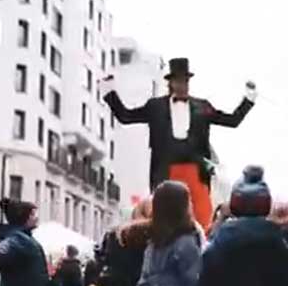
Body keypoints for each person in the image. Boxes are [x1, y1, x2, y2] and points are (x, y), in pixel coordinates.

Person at [101, 59, 257, 229]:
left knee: (202, 219)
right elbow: (126, 116)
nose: (183, 85)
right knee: (165, 221)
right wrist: (108, 90)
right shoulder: (156, 107)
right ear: (171, 83)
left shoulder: (202, 107)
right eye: (179, 81)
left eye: (186, 81)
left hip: (196, 173)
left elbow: (232, 121)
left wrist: (249, 98)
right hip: (165, 172)